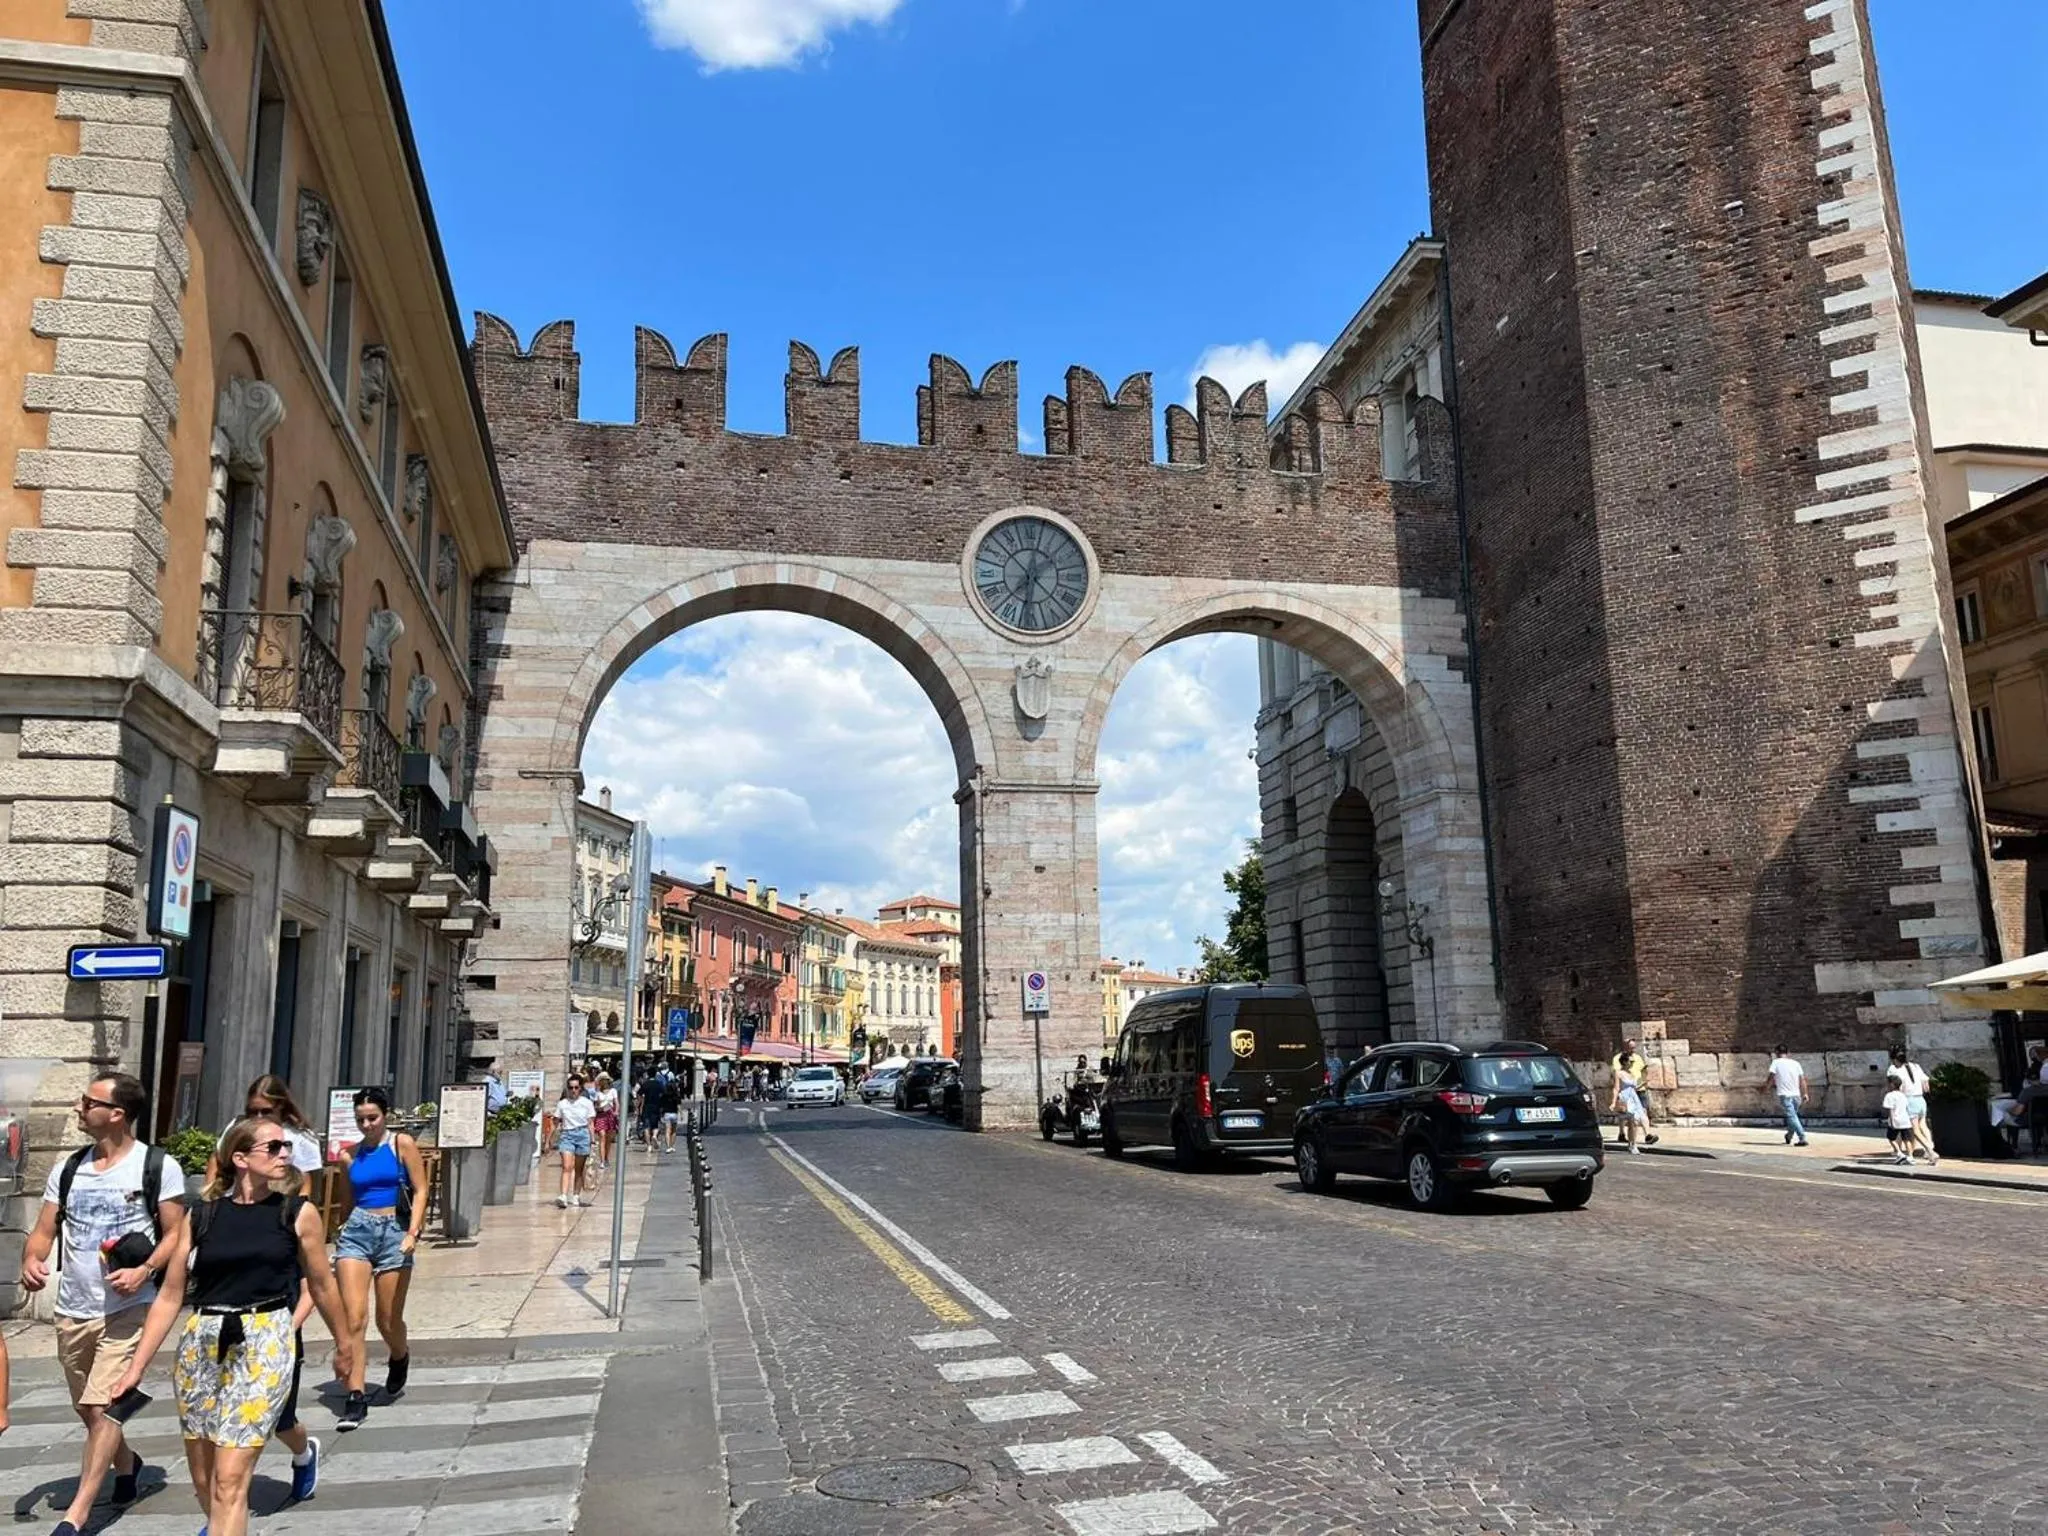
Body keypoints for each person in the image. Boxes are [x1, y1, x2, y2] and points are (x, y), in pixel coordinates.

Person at [110, 1117, 355, 1536]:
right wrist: (135, 1367)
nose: (284, 1155)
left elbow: (321, 1284)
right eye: (273, 1147)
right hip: (201, 1343)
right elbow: (170, 1295)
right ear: (240, 1158)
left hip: (265, 1341)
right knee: (206, 1484)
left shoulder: (297, 1213)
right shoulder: (201, 1215)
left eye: (286, 1147)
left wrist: (345, 1343)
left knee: (229, 1480)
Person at [19, 1073, 186, 1536]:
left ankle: (78, 1514)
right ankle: (128, 1464)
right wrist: (31, 1260)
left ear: (117, 1113)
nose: (78, 1107)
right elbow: (44, 1231)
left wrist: (145, 1269)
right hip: (74, 1308)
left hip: (128, 1308)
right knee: (89, 1411)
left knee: (106, 1406)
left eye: (88, 1101)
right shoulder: (69, 1169)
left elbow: (175, 1232)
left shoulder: (156, 1166)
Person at [207, 1077, 326, 1499]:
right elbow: (214, 1180)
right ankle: (228, 1500)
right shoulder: (234, 1136)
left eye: (265, 1111)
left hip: (279, 1292)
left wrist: (294, 1323)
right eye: (252, 1110)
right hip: (231, 1303)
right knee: (230, 1416)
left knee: (278, 1418)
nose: (257, 1117)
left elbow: (306, 1203)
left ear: (281, 1110)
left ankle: (302, 1450)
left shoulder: (297, 1145)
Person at [332, 1087, 426, 1432]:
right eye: (360, 1120)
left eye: (372, 1118)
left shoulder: (401, 1144)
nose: (366, 1125)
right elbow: (346, 1199)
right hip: (357, 1232)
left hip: (394, 1233)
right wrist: (338, 1232)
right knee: (354, 1317)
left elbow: (420, 1189)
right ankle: (355, 1395)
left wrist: (412, 1233)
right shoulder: (349, 1155)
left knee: (388, 1319)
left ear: (385, 1115)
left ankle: (399, 1354)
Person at [1888, 1046, 1938, 1167]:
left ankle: (1931, 1151)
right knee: (1923, 1125)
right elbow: (1926, 1083)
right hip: (1920, 1099)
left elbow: (1895, 1087)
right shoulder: (1916, 1066)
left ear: (1895, 1059)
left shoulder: (1895, 1070)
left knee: (1914, 1130)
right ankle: (1928, 1147)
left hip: (1909, 1100)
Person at [1608, 1036, 1659, 1145]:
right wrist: (1614, 1099)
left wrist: (1644, 1080)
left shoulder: (1638, 1057)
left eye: (1634, 1047)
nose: (1633, 1050)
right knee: (1626, 1115)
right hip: (1625, 1090)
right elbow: (1617, 1076)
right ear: (1625, 1047)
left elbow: (1643, 1070)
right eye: (1631, 1047)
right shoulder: (1618, 1059)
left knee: (1643, 1112)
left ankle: (1648, 1135)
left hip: (1639, 1088)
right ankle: (1622, 1133)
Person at [555, 1074, 596, 1208]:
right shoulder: (562, 1104)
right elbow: (556, 1121)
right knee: (567, 1166)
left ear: (580, 1088)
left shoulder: (587, 1103)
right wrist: (550, 1139)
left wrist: (593, 1140)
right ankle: (563, 1195)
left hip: (582, 1134)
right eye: (571, 1087)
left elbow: (590, 1122)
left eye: (576, 1087)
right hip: (567, 1135)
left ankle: (576, 1195)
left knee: (579, 1169)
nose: (573, 1090)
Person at [1763, 1045, 1810, 1147]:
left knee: (1792, 1116)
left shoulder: (1775, 1062)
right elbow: (1802, 1079)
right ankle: (1789, 1135)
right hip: (1796, 1094)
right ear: (1788, 1052)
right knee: (1792, 1116)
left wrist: (1766, 1088)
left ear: (1776, 1053)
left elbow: (1771, 1077)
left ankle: (1802, 1137)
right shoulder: (1796, 1063)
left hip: (1785, 1094)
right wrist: (1805, 1093)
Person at [1609, 1058, 1652, 1154]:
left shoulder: (1631, 1074)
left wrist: (1643, 1083)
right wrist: (1613, 1101)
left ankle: (1632, 1143)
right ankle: (1632, 1144)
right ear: (1624, 1062)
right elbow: (1616, 1088)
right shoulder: (1618, 1073)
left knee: (1635, 1122)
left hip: (1634, 1098)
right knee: (1631, 1122)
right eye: (1630, 1062)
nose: (1631, 1064)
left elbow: (1634, 1087)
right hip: (1625, 1098)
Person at [1881, 1071, 1918, 1165]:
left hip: (1896, 1120)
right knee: (1907, 1139)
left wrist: (1891, 1121)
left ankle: (1899, 1152)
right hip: (1905, 1120)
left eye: (1888, 1084)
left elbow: (1890, 1110)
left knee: (1891, 1138)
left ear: (1892, 1085)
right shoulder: (1903, 1095)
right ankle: (1910, 1156)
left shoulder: (1889, 1096)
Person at [593, 1073, 620, 1171]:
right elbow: (595, 1105)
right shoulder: (598, 1093)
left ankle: (606, 1157)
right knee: (602, 1136)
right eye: (602, 1080)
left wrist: (616, 1111)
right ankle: (602, 1161)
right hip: (601, 1115)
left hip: (610, 1115)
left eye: (605, 1080)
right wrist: (599, 1107)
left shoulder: (613, 1091)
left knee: (608, 1138)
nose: (604, 1082)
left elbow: (616, 1103)